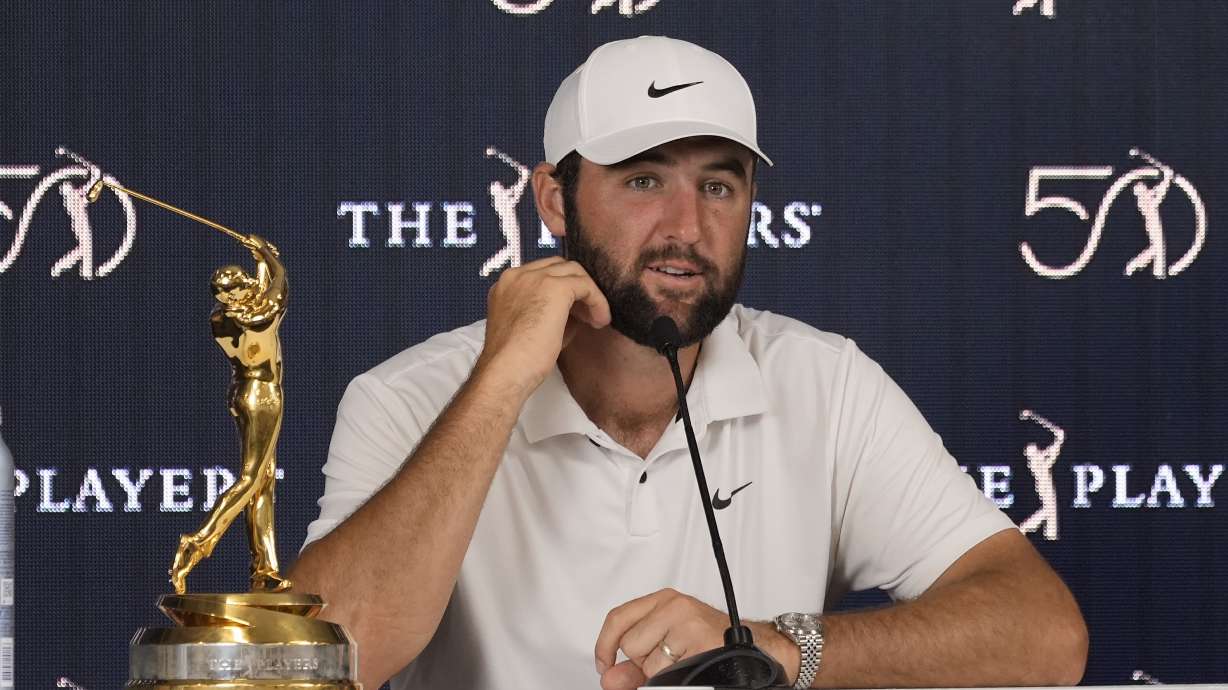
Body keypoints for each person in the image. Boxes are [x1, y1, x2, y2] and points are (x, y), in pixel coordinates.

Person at [288, 36, 1087, 690]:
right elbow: (323, 660)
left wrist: (775, 648)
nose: (687, 226)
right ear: (554, 201)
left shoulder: (825, 382)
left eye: (718, 185)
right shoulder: (407, 397)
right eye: (643, 180)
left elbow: (1044, 635)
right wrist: (499, 381)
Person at [170, 234, 291, 594]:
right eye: (242, 285)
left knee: (263, 481)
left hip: (243, 392)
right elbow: (279, 291)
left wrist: (258, 261)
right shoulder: (253, 317)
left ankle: (265, 569)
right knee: (251, 479)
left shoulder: (222, 318)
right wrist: (269, 256)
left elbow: (262, 289)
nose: (251, 285)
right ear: (232, 295)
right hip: (262, 396)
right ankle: (199, 540)